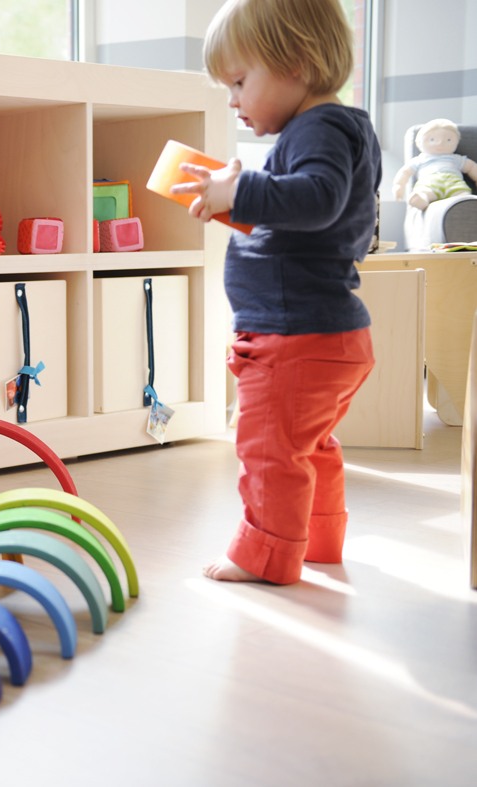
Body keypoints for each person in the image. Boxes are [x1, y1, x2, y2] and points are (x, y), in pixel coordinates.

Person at [170, 0, 379, 584]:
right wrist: (237, 203)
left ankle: (266, 554)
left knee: (267, 449)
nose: (232, 100)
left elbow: (317, 199)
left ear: (299, 63)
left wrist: (242, 192)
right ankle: (316, 538)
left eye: (239, 81)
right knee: (307, 447)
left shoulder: (321, 127)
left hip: (297, 335)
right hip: (326, 332)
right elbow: (312, 216)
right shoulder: (337, 128)